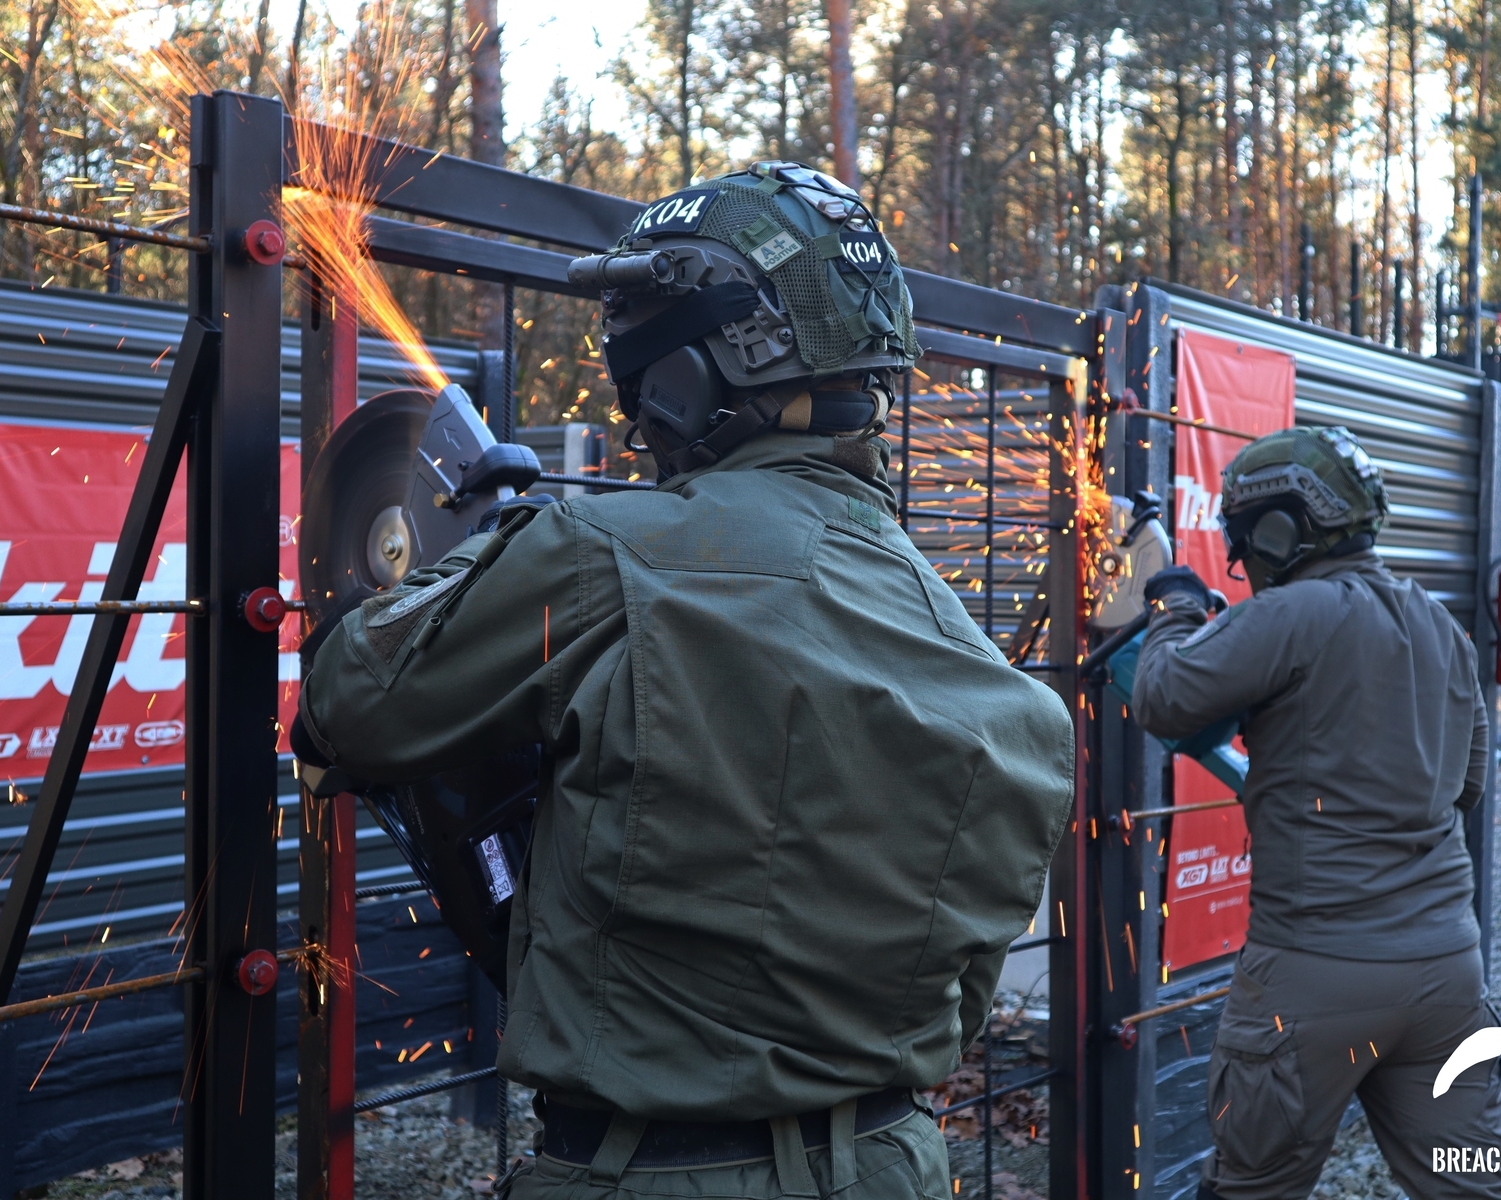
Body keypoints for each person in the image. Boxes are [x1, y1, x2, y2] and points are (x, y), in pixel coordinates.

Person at [292, 161, 1075, 1200]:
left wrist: (478, 560)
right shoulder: (982, 668)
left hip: (647, 1173)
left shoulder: (598, 554)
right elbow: (956, 997)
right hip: (895, 1163)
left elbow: (346, 706)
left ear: (689, 371)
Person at [1129, 426, 1501, 1200]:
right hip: (1446, 974)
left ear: (1282, 529)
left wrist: (1173, 607)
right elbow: (1465, 785)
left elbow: (1163, 696)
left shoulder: (1290, 613)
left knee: (1251, 1189)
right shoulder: (1439, 624)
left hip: (1310, 980)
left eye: (1245, 540)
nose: (1242, 561)